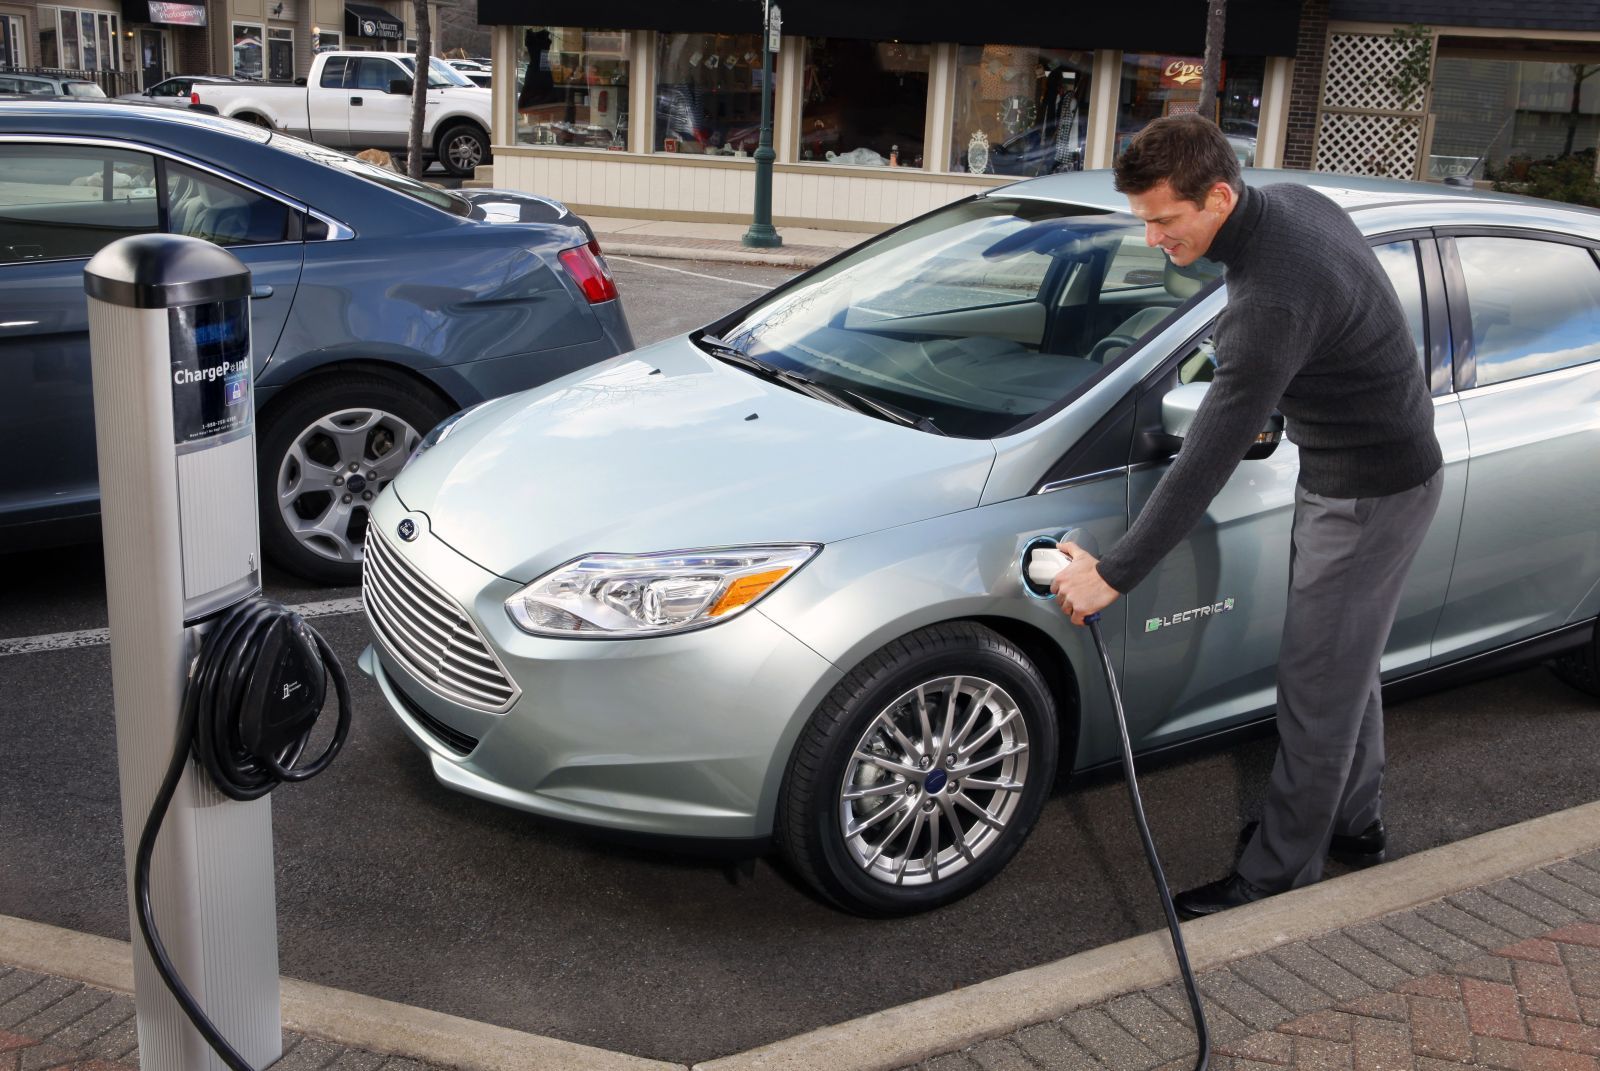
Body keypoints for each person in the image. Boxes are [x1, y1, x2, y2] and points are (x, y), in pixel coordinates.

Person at [1047, 114, 1444, 917]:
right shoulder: (1296, 203)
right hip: (1375, 470)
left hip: (1367, 491)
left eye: (1165, 219)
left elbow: (1205, 460)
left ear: (1219, 195)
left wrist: (1112, 575)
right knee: (1343, 666)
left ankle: (1275, 880)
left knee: (1314, 684)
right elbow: (1345, 321)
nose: (1152, 237)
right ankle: (1354, 824)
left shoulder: (1267, 300)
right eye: (1144, 219)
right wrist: (1288, 399)